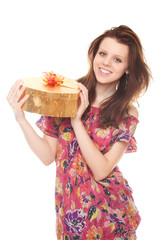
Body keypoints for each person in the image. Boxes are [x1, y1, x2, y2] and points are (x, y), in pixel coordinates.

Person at [7, 25, 151, 239]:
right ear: (94, 54)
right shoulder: (65, 93)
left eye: (117, 59)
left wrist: (76, 121)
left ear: (128, 68)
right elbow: (48, 156)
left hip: (110, 214)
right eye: (103, 53)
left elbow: (102, 170)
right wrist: (20, 118)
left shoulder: (127, 112)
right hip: (70, 210)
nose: (106, 63)